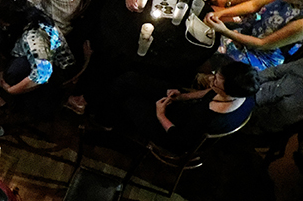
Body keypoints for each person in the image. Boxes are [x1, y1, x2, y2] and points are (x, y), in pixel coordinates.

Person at [94, 59, 258, 152]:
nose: (210, 79)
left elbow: (179, 140)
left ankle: (105, 121)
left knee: (129, 102)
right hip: (184, 110)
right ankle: (104, 108)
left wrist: (160, 114)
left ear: (227, 91)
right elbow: (209, 93)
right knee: (131, 79)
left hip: (173, 132)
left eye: (215, 80)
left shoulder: (208, 116)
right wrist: (182, 97)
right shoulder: (245, 92)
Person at [205, 0, 303, 70]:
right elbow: (254, 4)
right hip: (247, 31)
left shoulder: (300, 23)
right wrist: (221, 13)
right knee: (206, 36)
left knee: (211, 56)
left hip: (260, 55)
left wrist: (226, 32)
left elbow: (262, 43)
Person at [0, 0, 75, 106]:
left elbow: (43, 74)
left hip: (56, 69)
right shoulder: (27, 11)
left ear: (8, 22)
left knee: (18, 67)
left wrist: (11, 91)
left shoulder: (35, 39)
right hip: (32, 52)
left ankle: (9, 97)